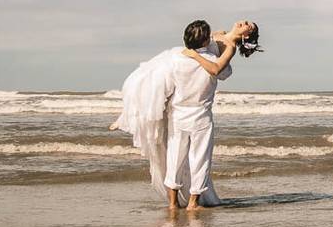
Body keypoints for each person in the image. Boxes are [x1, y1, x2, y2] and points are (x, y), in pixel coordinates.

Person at [112, 19, 261, 209]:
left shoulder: (215, 50)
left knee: (179, 157)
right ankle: (190, 203)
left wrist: (193, 55)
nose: (244, 22)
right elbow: (217, 70)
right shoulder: (216, 44)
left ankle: (176, 203)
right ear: (206, 40)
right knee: (196, 158)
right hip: (196, 114)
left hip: (185, 112)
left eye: (249, 25)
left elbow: (216, 69)